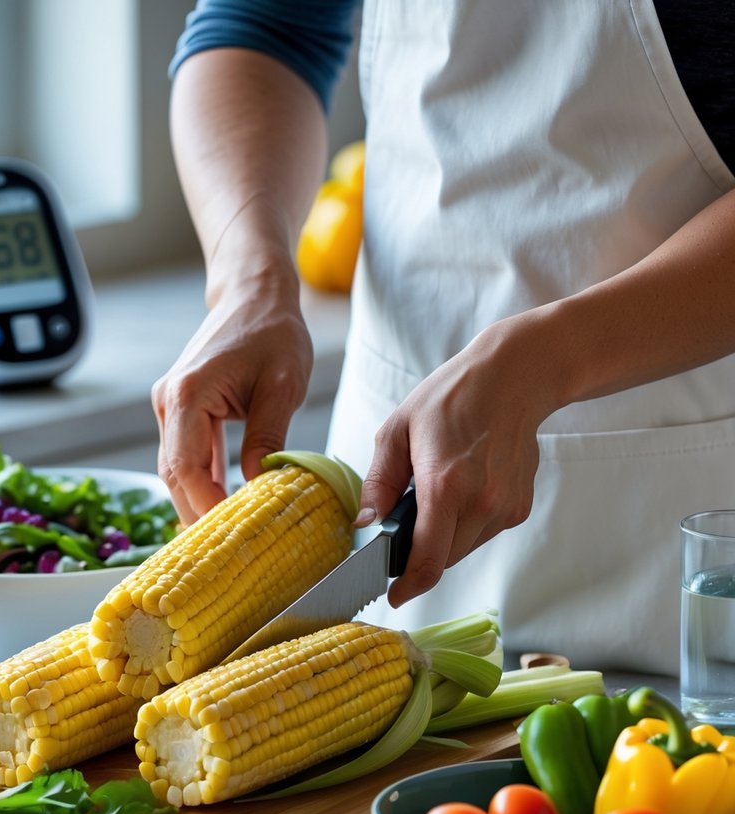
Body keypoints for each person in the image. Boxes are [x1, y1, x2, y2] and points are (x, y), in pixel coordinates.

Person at [152, 0, 735, 673]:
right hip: (394, 483)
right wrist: (249, 277)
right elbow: (267, 25)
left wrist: (554, 355)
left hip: (689, 562)